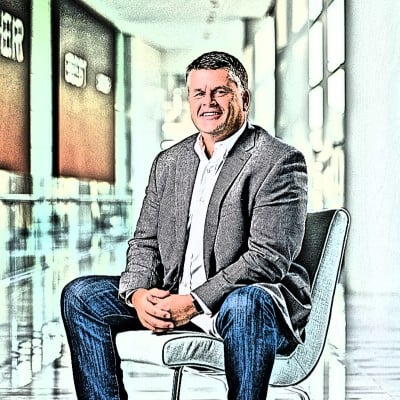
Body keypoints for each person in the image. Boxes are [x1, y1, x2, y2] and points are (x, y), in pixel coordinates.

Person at [61, 51, 310, 400]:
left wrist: (193, 302)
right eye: (198, 93)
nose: (208, 102)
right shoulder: (169, 162)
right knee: (81, 296)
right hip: (175, 296)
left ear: (244, 99)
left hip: (243, 307)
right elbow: (145, 241)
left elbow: (266, 259)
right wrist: (139, 294)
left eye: (220, 91)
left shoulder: (278, 160)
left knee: (247, 303)